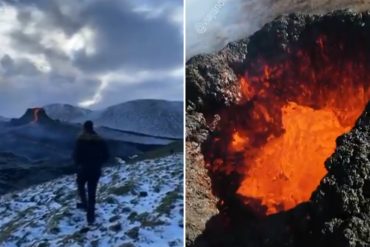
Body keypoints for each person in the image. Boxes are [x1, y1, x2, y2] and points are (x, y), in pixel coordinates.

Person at [73, 120, 109, 224]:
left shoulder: (80, 140)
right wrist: (99, 163)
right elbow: (106, 155)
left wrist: (77, 165)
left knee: (80, 186)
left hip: (83, 169)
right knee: (92, 191)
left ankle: (85, 204)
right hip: (95, 169)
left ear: (84, 128)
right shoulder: (100, 140)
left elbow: (76, 155)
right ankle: (91, 217)